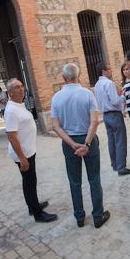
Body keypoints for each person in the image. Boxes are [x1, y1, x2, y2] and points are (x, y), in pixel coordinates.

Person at [51, 63, 110, 228]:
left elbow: (56, 126)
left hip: (69, 141)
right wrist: (86, 144)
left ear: (63, 78)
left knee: (74, 182)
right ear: (79, 75)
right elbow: (95, 121)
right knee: (94, 179)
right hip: (88, 138)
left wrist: (73, 144)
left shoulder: (56, 98)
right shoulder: (87, 94)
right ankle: (98, 216)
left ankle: (79, 217)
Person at [4, 78, 58, 223]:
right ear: (10, 92)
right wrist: (22, 158)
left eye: (22, 86)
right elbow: (11, 136)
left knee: (29, 181)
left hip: (28, 151)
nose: (21, 89)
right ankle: (38, 214)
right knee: (29, 182)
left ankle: (32, 206)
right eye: (16, 87)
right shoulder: (11, 111)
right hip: (23, 154)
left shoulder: (18, 105)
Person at [93, 63, 130, 176]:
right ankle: (122, 167)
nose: (111, 71)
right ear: (104, 71)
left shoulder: (96, 85)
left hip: (105, 115)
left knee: (111, 141)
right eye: (109, 69)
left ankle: (115, 165)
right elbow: (115, 101)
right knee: (120, 140)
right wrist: (122, 95)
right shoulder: (109, 83)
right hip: (114, 114)